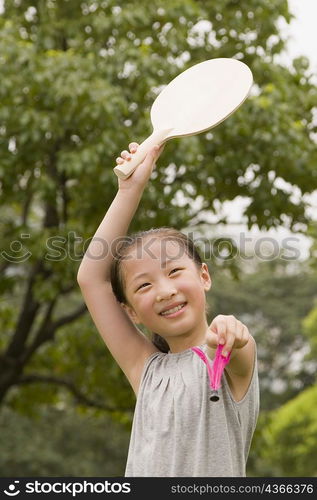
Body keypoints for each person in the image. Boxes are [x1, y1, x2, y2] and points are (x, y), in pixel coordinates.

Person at [77, 142, 260, 477]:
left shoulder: (225, 356)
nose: (165, 291)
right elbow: (91, 278)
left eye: (175, 271)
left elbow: (240, 348)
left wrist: (233, 332)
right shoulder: (146, 371)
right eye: (143, 286)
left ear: (204, 276)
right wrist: (131, 188)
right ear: (130, 311)